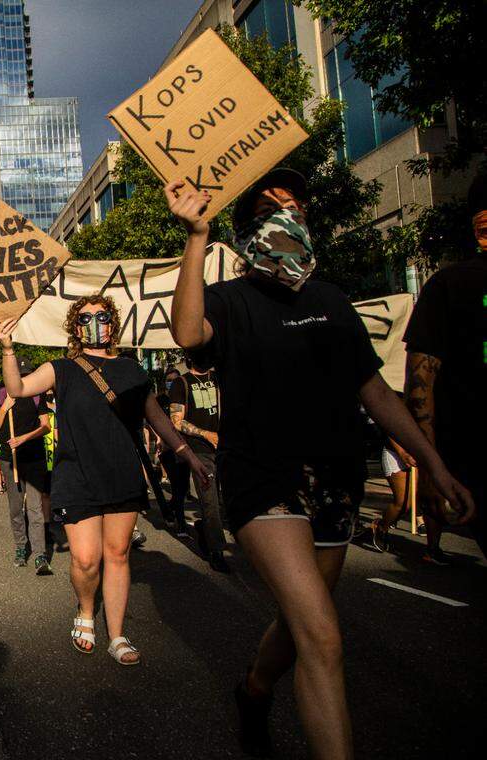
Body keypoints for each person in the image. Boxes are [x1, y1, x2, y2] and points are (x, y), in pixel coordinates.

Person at [165, 168, 474, 758]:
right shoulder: (229, 301)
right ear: (248, 233)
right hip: (263, 479)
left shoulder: (330, 300)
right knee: (324, 638)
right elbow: (186, 332)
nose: (285, 219)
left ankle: (254, 689)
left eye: (294, 208)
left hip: (333, 479)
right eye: (267, 212)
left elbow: (375, 391)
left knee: (305, 620)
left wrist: (434, 463)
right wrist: (196, 236)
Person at [0, 301, 209, 664]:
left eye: (102, 317)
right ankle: (85, 609)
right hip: (75, 477)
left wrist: (188, 454)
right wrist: (8, 347)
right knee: (85, 559)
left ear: (113, 324)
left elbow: (157, 419)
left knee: (118, 555)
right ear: (75, 327)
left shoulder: (132, 370)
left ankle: (118, 633)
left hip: (121, 475)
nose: (95, 323)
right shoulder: (60, 369)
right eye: (85, 318)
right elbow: (16, 388)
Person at [403, 171, 487, 559]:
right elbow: (420, 384)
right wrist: (433, 471)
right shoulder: (450, 287)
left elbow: (419, 384)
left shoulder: (447, 285)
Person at [0, 363, 53, 573]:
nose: (22, 377)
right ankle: (21, 547)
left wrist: (24, 438)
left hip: (34, 458)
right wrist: (5, 407)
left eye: (26, 374)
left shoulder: (36, 395)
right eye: (19, 374)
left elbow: (46, 425)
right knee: (15, 508)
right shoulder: (2, 395)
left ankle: (40, 554)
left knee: (35, 508)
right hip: (9, 460)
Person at [168, 355, 229, 572]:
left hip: (224, 448)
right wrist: (206, 434)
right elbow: (177, 420)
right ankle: (216, 551)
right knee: (209, 498)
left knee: (227, 498)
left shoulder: (219, 377)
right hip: (199, 450)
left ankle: (206, 530)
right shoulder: (180, 383)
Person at [362, 437, 418, 553]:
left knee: (409, 503)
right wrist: (402, 453)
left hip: (417, 453)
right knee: (402, 503)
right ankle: (381, 527)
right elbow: (390, 430)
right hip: (395, 453)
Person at [156, 368, 191, 533]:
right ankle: (181, 525)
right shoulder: (160, 400)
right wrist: (159, 439)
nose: (171, 383)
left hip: (183, 448)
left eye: (174, 380)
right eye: (169, 380)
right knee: (177, 486)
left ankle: (169, 509)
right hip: (167, 449)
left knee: (183, 488)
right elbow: (152, 421)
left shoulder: (184, 398)